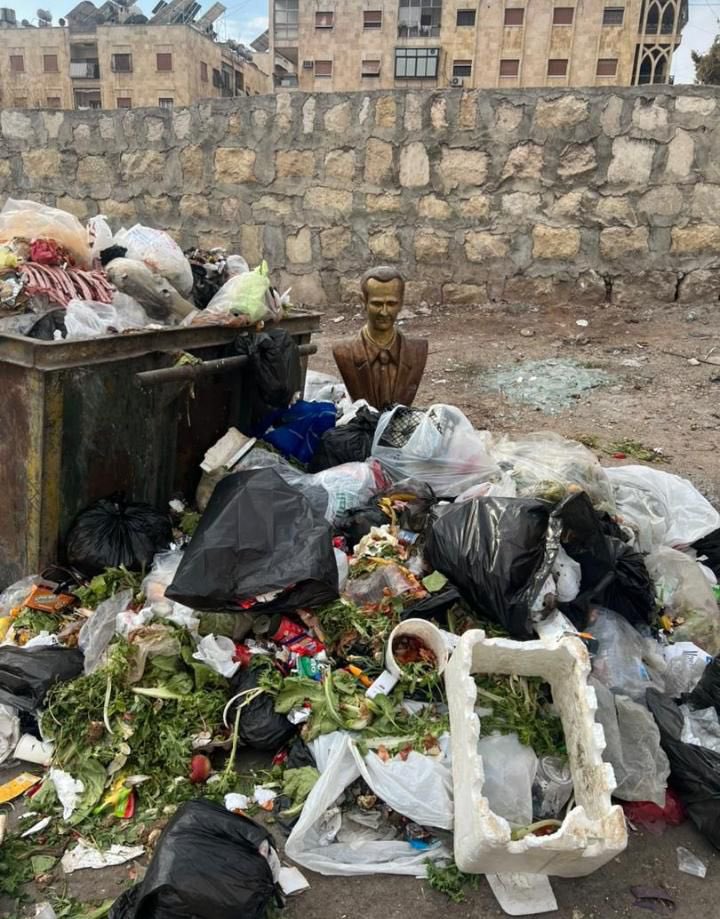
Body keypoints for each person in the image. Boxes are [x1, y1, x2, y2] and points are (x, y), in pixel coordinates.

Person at [332, 265, 428, 409]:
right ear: (363, 302)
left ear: (401, 303)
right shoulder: (343, 351)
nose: (384, 312)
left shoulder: (417, 352)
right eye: (377, 304)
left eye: (391, 303)